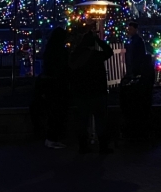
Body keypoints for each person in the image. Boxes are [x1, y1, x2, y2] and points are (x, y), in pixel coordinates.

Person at [69, 21, 114, 153]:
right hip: (97, 92)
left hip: (81, 93)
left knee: (83, 121)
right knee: (100, 120)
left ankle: (83, 146)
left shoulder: (76, 56)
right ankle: (103, 146)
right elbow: (109, 52)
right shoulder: (96, 56)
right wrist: (98, 39)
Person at [42, 28, 70, 149]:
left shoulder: (49, 50)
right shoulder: (60, 51)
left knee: (53, 112)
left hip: (51, 84)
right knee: (57, 112)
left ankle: (52, 138)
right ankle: (52, 138)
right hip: (58, 84)